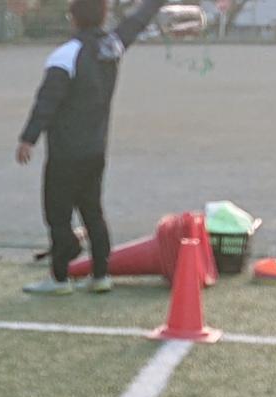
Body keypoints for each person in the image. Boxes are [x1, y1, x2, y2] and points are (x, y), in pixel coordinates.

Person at [16, 0, 166, 295]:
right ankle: (100, 275)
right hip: (96, 149)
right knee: (93, 212)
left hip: (65, 152)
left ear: (72, 18)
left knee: (58, 214)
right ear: (103, 15)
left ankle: (60, 278)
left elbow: (47, 101)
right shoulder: (111, 47)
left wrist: (27, 138)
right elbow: (136, 22)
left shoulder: (65, 54)